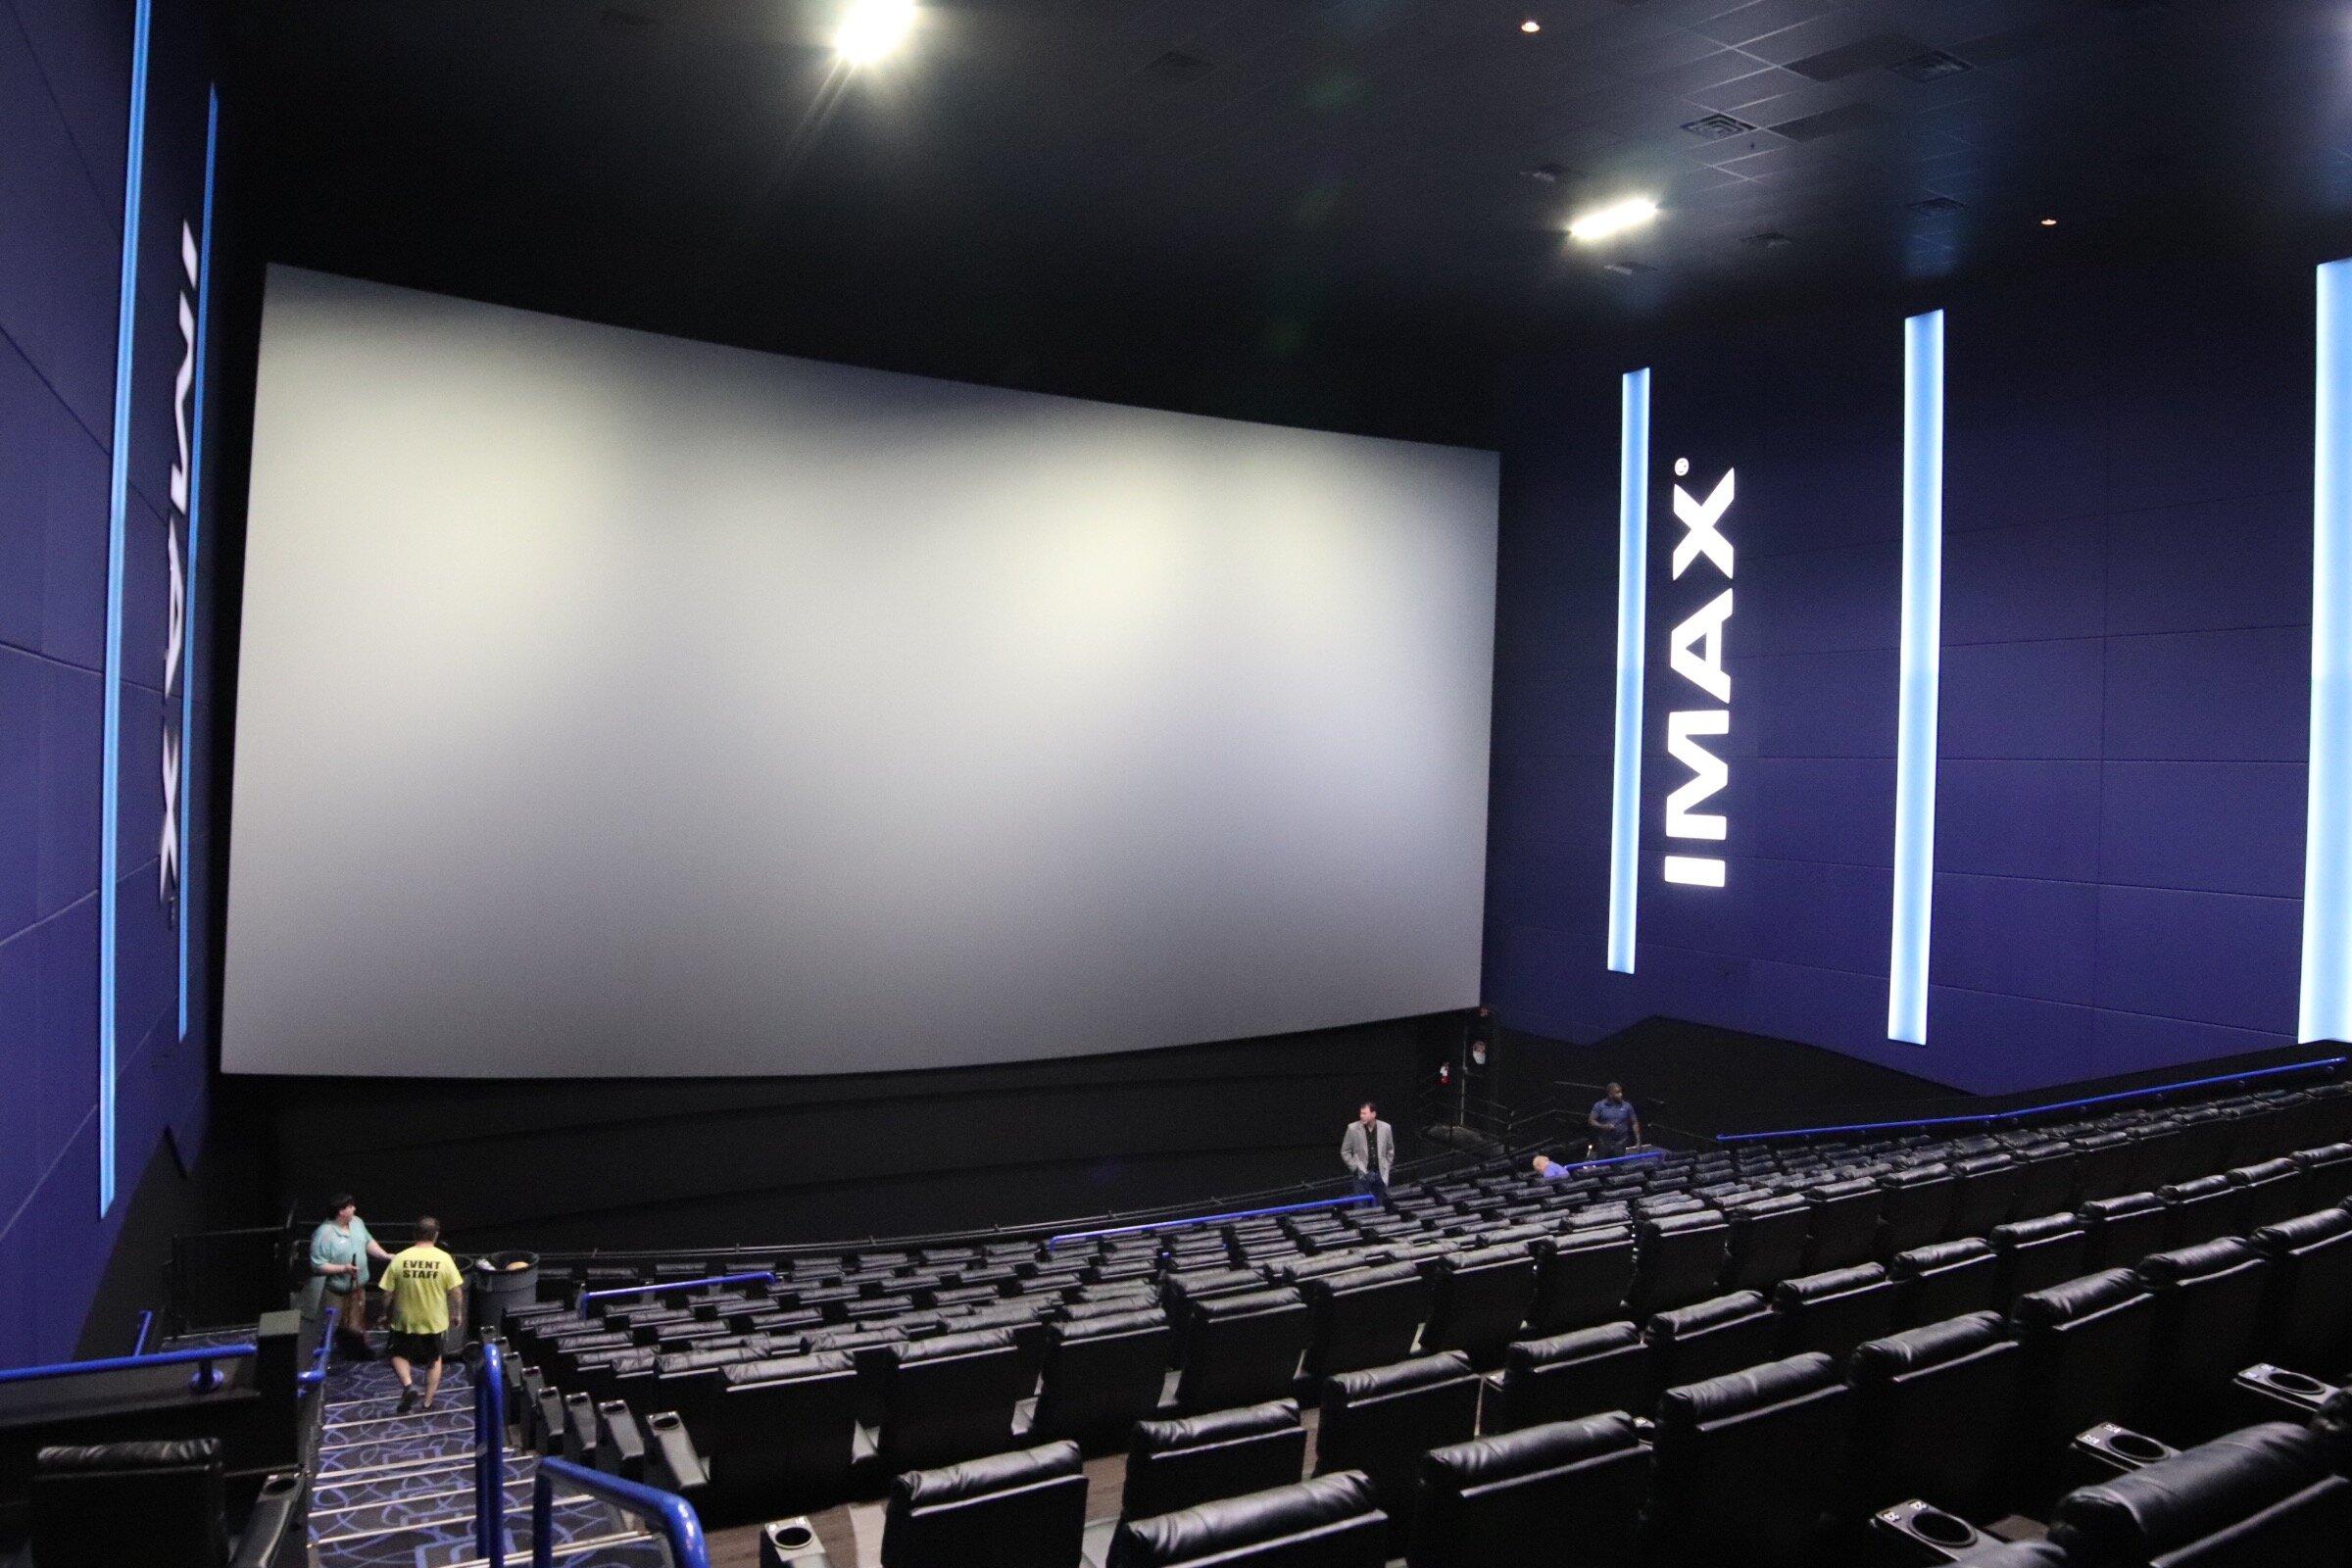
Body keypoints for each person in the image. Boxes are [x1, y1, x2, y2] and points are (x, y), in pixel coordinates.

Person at [379, 1216, 466, 1413]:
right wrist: (457, 1313)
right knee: (434, 1359)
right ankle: (427, 1402)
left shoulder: (400, 1258)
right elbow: (456, 1291)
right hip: (434, 1320)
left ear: (414, 1234)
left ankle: (408, 1385)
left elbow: (387, 1292)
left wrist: (384, 1313)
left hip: (405, 1319)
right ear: (436, 1235)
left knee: (397, 1354)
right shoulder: (444, 1259)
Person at [302, 1195, 392, 1345]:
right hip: (335, 1291)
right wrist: (343, 1268)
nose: (354, 1209)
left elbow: (368, 1242)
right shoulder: (324, 1234)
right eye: (350, 1207)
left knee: (355, 1328)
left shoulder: (357, 1222)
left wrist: (385, 1255)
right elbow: (317, 1265)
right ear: (341, 1211)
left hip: (357, 1289)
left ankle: (353, 1352)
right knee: (333, 1327)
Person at [1341, 1101, 1394, 1200]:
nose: (1362, 1116)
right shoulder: (1352, 1128)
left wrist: (1386, 1166)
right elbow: (1345, 1151)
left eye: (1364, 1113)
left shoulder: (1386, 1128)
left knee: (1380, 1203)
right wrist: (1355, 1168)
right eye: (1361, 1113)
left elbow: (1390, 1150)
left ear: (1373, 1114)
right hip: (1362, 1173)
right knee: (1361, 1204)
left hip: (1380, 1173)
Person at [1588, 1082, 1642, 1158]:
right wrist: (1603, 1126)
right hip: (1604, 1143)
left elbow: (1634, 1122)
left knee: (1618, 1164)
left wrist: (1638, 1141)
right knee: (1602, 1164)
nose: (1621, 1094)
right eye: (1617, 1092)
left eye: (1621, 1092)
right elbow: (1591, 1121)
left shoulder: (1627, 1106)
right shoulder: (1600, 1105)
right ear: (1610, 1094)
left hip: (1621, 1143)